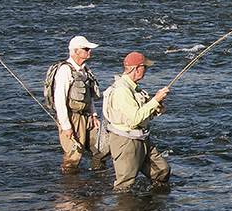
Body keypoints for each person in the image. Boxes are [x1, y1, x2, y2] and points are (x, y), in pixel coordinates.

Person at [97, 52, 170, 190]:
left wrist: (157, 105)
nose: (146, 70)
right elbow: (135, 117)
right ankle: (124, 210)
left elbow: (147, 111)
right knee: (124, 185)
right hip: (125, 141)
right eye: (145, 67)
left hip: (141, 137)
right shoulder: (122, 90)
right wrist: (156, 100)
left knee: (162, 171)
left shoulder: (134, 88)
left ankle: (154, 207)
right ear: (136, 68)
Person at [53, 35, 102, 173]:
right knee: (73, 157)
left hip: (87, 117)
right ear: (76, 51)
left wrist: (93, 115)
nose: (89, 52)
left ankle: (98, 179)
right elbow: (59, 100)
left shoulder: (85, 70)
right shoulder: (65, 71)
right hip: (72, 117)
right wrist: (66, 126)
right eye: (86, 49)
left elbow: (88, 96)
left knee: (99, 149)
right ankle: (69, 188)